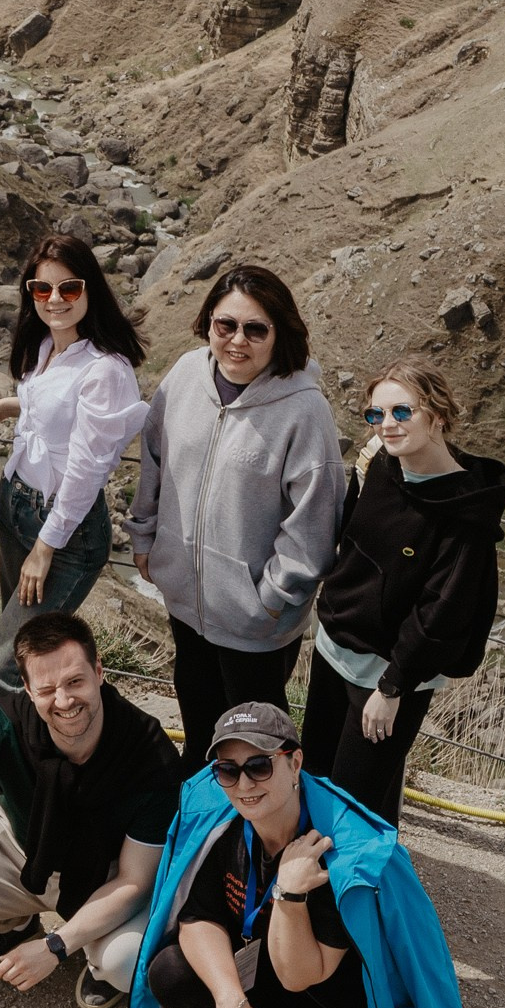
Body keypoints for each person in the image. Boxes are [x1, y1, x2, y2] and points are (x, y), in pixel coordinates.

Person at [127, 702, 469, 1008]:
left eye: (259, 766)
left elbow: (298, 976)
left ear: (295, 764)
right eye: (227, 770)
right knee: (170, 973)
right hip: (270, 962)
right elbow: (197, 919)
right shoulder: (225, 822)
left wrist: (289, 893)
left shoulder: (339, 852)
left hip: (335, 995)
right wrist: (232, 1005)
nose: (243, 784)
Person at [0, 619, 182, 1008]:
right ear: (28, 690)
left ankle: (96, 958)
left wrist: (57, 946)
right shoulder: (3, 720)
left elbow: (135, 880)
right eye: (46, 689)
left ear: (99, 671)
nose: (63, 701)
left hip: (106, 871)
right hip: (22, 842)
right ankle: (13, 924)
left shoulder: (151, 754)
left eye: (75, 681)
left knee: (125, 963)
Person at [129, 262, 343, 776]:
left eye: (255, 329)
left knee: (255, 748)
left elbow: (313, 519)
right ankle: (201, 813)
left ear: (279, 333)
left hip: (255, 624)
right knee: (199, 727)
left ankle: (263, 822)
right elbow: (153, 460)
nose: (238, 341)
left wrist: (270, 598)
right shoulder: (185, 375)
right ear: (208, 323)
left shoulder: (303, 410)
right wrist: (145, 538)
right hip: (185, 601)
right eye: (226, 324)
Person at [301, 362, 505, 826]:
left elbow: (443, 611)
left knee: (354, 808)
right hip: (334, 651)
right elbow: (351, 546)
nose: (387, 425)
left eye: (402, 411)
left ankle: (356, 876)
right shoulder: (380, 464)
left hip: (387, 678)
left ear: (437, 415)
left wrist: (393, 686)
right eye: (376, 414)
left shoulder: (464, 512)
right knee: (314, 779)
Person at [0, 230, 146, 706]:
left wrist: (45, 547)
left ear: (90, 289)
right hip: (15, 507)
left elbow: (87, 470)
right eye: (42, 288)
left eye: (69, 287)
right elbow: (51, 408)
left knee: (5, 667)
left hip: (64, 533)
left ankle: (57, 746)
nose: (54, 299)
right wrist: (6, 407)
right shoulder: (48, 345)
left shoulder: (106, 369)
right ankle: (20, 744)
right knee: (23, 655)